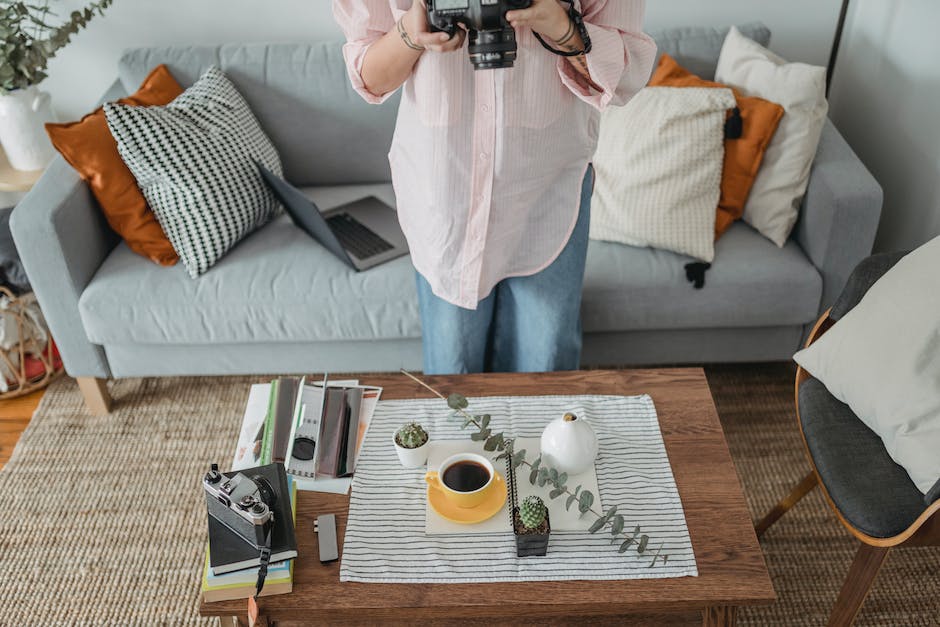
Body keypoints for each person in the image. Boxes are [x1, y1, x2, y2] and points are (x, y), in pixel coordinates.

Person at [332, 0, 655, 374]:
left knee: (545, 374)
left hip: (549, 193)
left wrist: (562, 27)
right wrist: (410, 33)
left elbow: (628, 74)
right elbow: (368, 76)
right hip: (443, 195)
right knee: (454, 385)